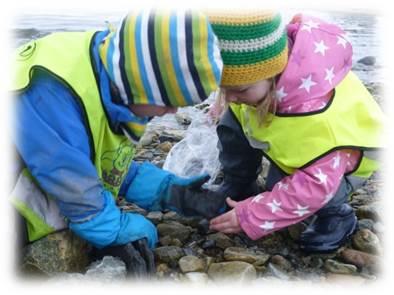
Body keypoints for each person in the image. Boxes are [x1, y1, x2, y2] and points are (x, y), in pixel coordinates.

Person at [11, 9, 224, 271]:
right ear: (142, 84)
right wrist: (114, 230)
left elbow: (102, 163)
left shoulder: (112, 70)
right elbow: (73, 183)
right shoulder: (52, 93)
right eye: (169, 102)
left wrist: (170, 192)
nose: (172, 113)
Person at [205, 11, 384, 252]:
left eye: (238, 90)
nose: (229, 98)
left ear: (274, 73)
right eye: (222, 89)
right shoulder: (254, 84)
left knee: (284, 185)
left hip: (337, 162)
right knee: (231, 120)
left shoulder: (320, 120)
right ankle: (240, 182)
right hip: (286, 126)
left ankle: (337, 215)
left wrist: (254, 214)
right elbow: (236, 91)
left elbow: (314, 185)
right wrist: (225, 97)